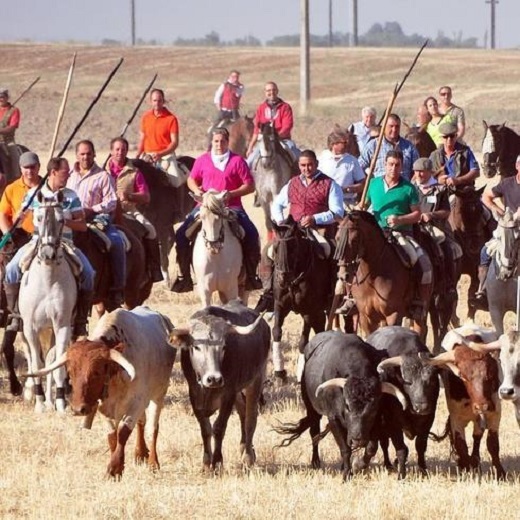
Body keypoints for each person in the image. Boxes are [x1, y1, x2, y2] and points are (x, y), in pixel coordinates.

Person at [4, 157, 96, 337]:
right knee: (11, 269)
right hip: (37, 242)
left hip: (65, 243)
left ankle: (80, 321)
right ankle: (15, 315)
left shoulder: (71, 195)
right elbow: (18, 219)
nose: (68, 175)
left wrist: (63, 221)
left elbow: (83, 225)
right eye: (65, 172)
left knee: (89, 274)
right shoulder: (34, 194)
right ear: (53, 172)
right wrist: (19, 217)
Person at [171, 127, 262, 293]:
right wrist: (198, 191)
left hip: (231, 207)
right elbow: (191, 179)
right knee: (181, 234)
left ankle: (251, 276)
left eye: (222, 141)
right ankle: (184, 277)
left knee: (252, 233)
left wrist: (232, 194)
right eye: (216, 141)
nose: (219, 144)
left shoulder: (237, 161)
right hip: (205, 207)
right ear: (211, 142)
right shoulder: (202, 160)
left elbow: (250, 185)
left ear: (228, 142)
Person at [255, 149, 344, 313]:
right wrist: (280, 220)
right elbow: (277, 204)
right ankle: (268, 291)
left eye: (310, 165)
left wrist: (315, 218)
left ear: (316, 164)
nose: (307, 169)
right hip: (292, 230)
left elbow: (337, 212)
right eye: (303, 165)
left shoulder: (330, 184)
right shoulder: (292, 183)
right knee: (268, 251)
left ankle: (332, 293)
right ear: (299, 165)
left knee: (330, 251)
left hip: (319, 230)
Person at [363, 150, 432, 320]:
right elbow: (363, 205)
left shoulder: (409, 188)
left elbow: (417, 214)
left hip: (401, 234)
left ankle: (417, 298)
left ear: (402, 167)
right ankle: (351, 296)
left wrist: (400, 219)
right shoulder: (373, 184)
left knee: (419, 259)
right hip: (377, 233)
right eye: (390, 164)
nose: (393, 168)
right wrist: (359, 209)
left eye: (397, 165)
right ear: (384, 165)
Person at [67, 140, 126, 307]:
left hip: (96, 220)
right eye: (82, 154)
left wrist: (91, 209)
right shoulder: (69, 175)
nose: (85, 157)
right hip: (71, 221)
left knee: (116, 242)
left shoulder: (103, 176)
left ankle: (117, 288)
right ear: (77, 155)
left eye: (88, 153)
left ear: (94, 154)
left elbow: (112, 201)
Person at [106, 136, 163, 283]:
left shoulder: (135, 172)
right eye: (117, 149)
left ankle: (153, 268)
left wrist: (130, 196)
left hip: (129, 211)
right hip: (106, 211)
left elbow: (146, 197)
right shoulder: (102, 171)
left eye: (123, 149)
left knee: (151, 230)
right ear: (111, 151)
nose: (120, 152)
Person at [0, 151, 41, 330]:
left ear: (38, 167)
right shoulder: (12, 189)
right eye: (26, 168)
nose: (29, 171)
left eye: (33, 167)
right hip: (19, 237)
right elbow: (2, 213)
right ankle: (13, 312)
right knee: (9, 269)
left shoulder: (47, 187)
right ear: (20, 169)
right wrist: (8, 232)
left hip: (43, 237)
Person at [476, 154, 520, 307]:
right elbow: (486, 196)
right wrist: (499, 211)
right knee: (485, 251)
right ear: (517, 166)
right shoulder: (507, 183)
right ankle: (482, 288)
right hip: (508, 227)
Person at [412, 157, 458, 297]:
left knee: (444, 243)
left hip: (433, 226)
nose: (419, 175)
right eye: (416, 171)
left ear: (430, 172)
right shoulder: (410, 189)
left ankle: (449, 282)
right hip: (412, 226)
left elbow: (446, 211)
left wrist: (431, 215)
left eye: (422, 172)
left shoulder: (439, 189)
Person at [137, 88, 186, 185]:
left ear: (163, 101)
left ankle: (179, 200)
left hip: (166, 156)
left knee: (176, 181)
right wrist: (137, 156)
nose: (157, 103)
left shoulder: (171, 119)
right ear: (150, 102)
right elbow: (142, 139)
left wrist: (160, 154)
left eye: (160, 100)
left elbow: (174, 143)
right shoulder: (145, 117)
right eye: (155, 100)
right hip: (148, 156)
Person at [246, 81, 298, 168]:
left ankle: (298, 178)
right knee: (249, 162)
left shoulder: (285, 107)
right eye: (268, 90)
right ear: (265, 93)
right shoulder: (261, 108)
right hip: (265, 141)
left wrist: (276, 137)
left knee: (295, 155)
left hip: (283, 140)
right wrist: (251, 146)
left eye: (273, 90)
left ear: (277, 91)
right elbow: (256, 129)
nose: (271, 92)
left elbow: (287, 126)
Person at [359, 113, 419, 181]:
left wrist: (411, 184)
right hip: (380, 188)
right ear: (384, 127)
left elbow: (417, 169)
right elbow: (359, 166)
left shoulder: (409, 147)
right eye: (391, 126)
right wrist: (369, 173)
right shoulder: (373, 145)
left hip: (403, 189)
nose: (394, 129)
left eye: (397, 126)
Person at [318, 129, 365, 207]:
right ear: (334, 144)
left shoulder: (352, 160)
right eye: (344, 142)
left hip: (346, 203)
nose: (347, 144)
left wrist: (348, 189)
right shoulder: (323, 158)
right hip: (325, 202)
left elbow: (362, 183)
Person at [429, 122, 479, 188]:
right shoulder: (434, 155)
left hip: (463, 191)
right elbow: (426, 176)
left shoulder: (465, 151)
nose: (449, 139)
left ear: (456, 136)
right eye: (445, 137)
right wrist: (437, 180)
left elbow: (475, 171)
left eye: (452, 136)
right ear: (441, 138)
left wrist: (459, 180)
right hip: (441, 191)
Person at [0, 88, 21, 189]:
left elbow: (12, 127)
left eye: (2, 96)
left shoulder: (14, 111)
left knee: (14, 157)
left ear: (7, 98)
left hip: (7, 141)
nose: (1, 99)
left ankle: (16, 177)